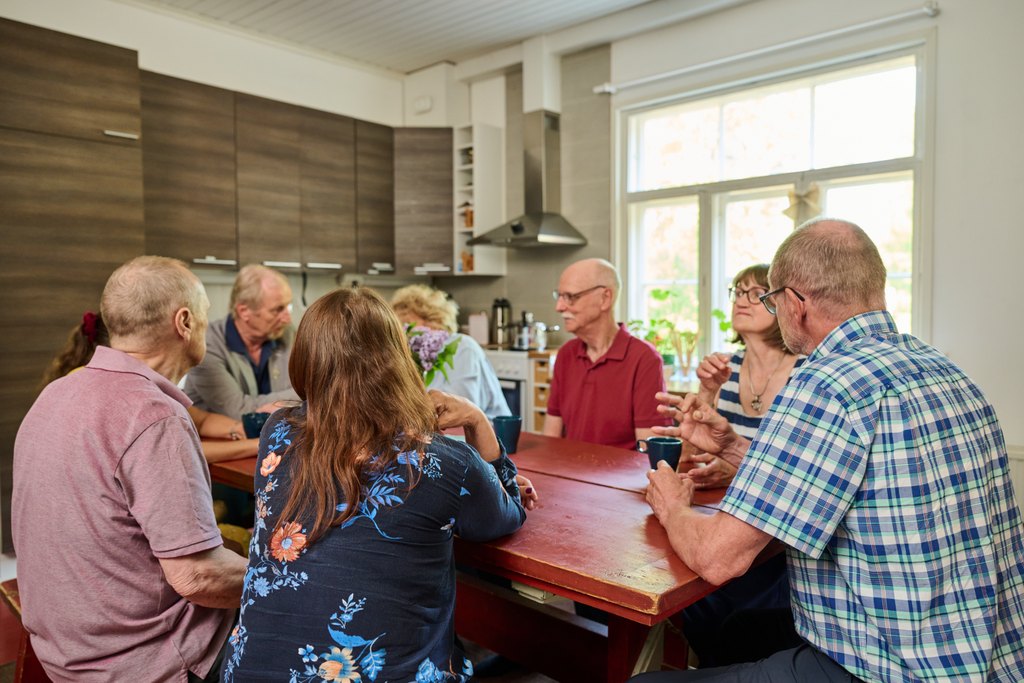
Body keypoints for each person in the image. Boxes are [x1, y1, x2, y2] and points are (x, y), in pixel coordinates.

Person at [636, 219, 1024, 682]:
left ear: (795, 303)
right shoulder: (945, 370)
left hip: (889, 666)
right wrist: (734, 446)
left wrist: (673, 506)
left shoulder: (825, 383)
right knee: (735, 631)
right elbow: (843, 475)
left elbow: (720, 558)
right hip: (984, 656)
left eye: (771, 300)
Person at [222, 287, 538, 682]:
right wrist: (476, 420)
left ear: (305, 362)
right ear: (397, 361)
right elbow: (506, 516)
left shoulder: (278, 431)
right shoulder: (445, 462)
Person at [13, 256, 247, 682]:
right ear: (184, 322)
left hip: (64, 652)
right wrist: (291, 578)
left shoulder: (55, 392)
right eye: (205, 315)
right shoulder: (154, 416)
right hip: (142, 663)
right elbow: (198, 578)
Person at [669, 264, 804, 666]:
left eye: (756, 292)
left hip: (773, 538)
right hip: (718, 514)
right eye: (737, 292)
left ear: (780, 302)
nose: (742, 301)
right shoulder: (722, 368)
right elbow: (688, 453)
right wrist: (707, 391)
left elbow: (795, 471)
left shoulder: (804, 373)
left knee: (715, 600)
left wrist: (733, 463)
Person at [42, 310, 260, 463]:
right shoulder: (125, 397)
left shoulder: (68, 384)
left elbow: (201, 421)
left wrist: (240, 428)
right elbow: (184, 450)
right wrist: (256, 445)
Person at [544, 258, 670, 449]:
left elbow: (649, 453)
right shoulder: (565, 355)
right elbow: (550, 440)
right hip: (569, 474)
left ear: (605, 298)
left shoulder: (644, 359)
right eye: (559, 296)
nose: (559, 307)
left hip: (621, 479)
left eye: (571, 297)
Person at [186, 264, 299, 420]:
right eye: (277, 310)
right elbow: (239, 411)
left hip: (271, 437)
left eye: (288, 307)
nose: (287, 318)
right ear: (244, 311)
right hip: (220, 442)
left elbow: (311, 388)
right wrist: (299, 397)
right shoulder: (205, 346)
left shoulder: (287, 333)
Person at [390, 283, 511, 419]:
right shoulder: (411, 356)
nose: (404, 331)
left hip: (493, 435)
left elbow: (459, 413)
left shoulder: (463, 347)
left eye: (407, 323)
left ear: (432, 319)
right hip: (446, 436)